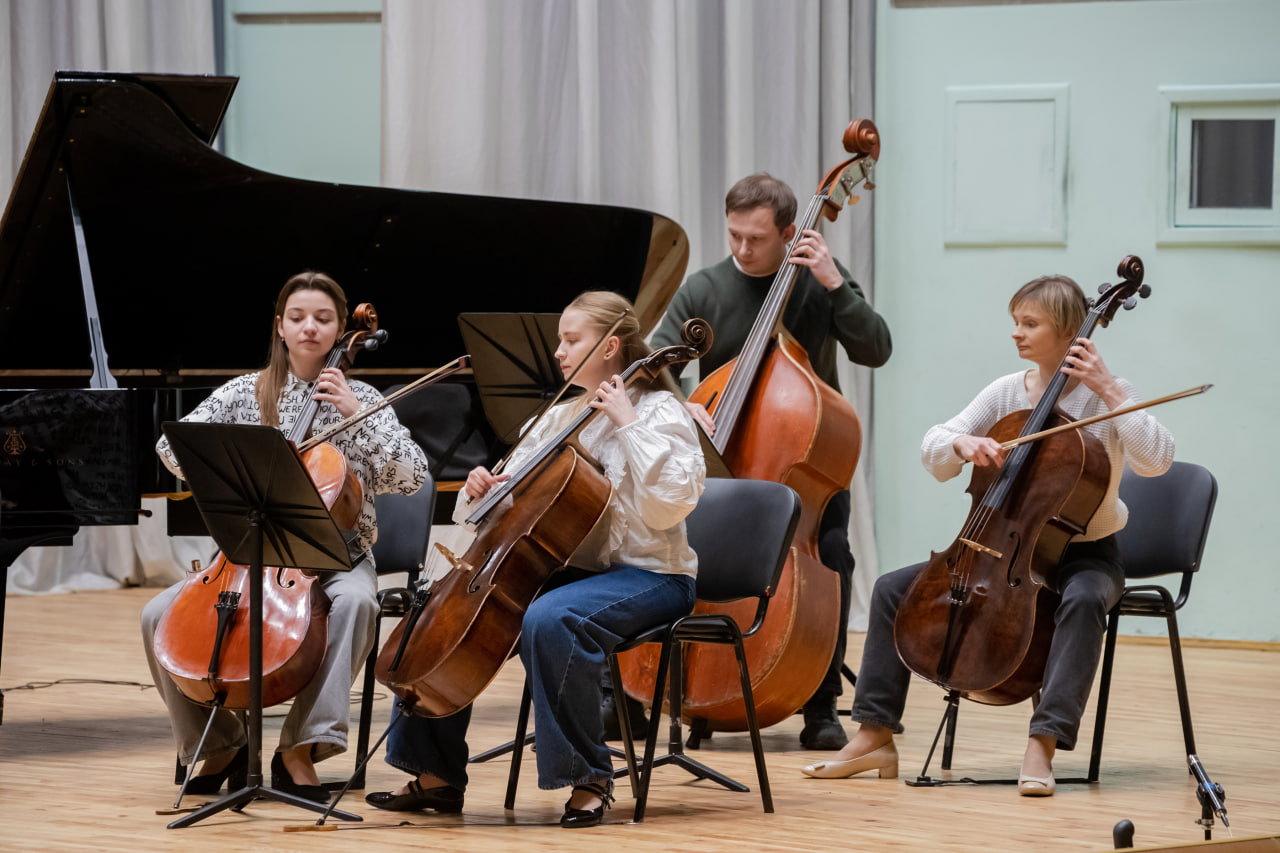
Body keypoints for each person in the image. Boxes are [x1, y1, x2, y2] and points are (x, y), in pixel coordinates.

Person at [801, 274, 1174, 796]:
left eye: (1030, 323)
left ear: (1069, 331)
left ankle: (1042, 743)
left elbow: (1157, 461)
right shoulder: (1006, 392)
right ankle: (874, 735)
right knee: (890, 589)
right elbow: (935, 443)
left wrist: (1110, 389)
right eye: (1015, 322)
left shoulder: (1108, 397)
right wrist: (962, 446)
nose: (1017, 333)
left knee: (1085, 599)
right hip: (1000, 549)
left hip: (1086, 555)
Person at [365, 290, 706, 828]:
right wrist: (481, 492)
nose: (558, 352)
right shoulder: (559, 417)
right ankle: (435, 775)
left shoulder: (660, 411)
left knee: (550, 617)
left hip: (652, 575)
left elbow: (670, 506)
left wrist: (628, 424)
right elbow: (499, 513)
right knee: (454, 614)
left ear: (610, 346)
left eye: (571, 340)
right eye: (559, 341)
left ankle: (589, 777)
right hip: (575, 573)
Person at [140, 271, 428, 803]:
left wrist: (356, 415)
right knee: (157, 615)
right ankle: (220, 745)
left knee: (357, 603)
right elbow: (171, 448)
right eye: (297, 317)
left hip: (337, 556)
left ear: (341, 329)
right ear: (280, 326)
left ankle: (301, 747)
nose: (309, 327)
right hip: (246, 554)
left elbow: (412, 476)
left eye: (323, 318)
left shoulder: (364, 398)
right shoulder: (246, 392)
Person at [649, 171, 892, 750]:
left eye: (756, 239)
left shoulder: (820, 282)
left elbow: (876, 348)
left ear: (789, 233)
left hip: (802, 470)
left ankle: (820, 703)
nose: (742, 249)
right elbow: (655, 365)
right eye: (734, 235)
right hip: (722, 467)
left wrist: (835, 283)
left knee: (832, 555)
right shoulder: (704, 288)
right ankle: (661, 693)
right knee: (656, 547)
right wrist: (685, 405)